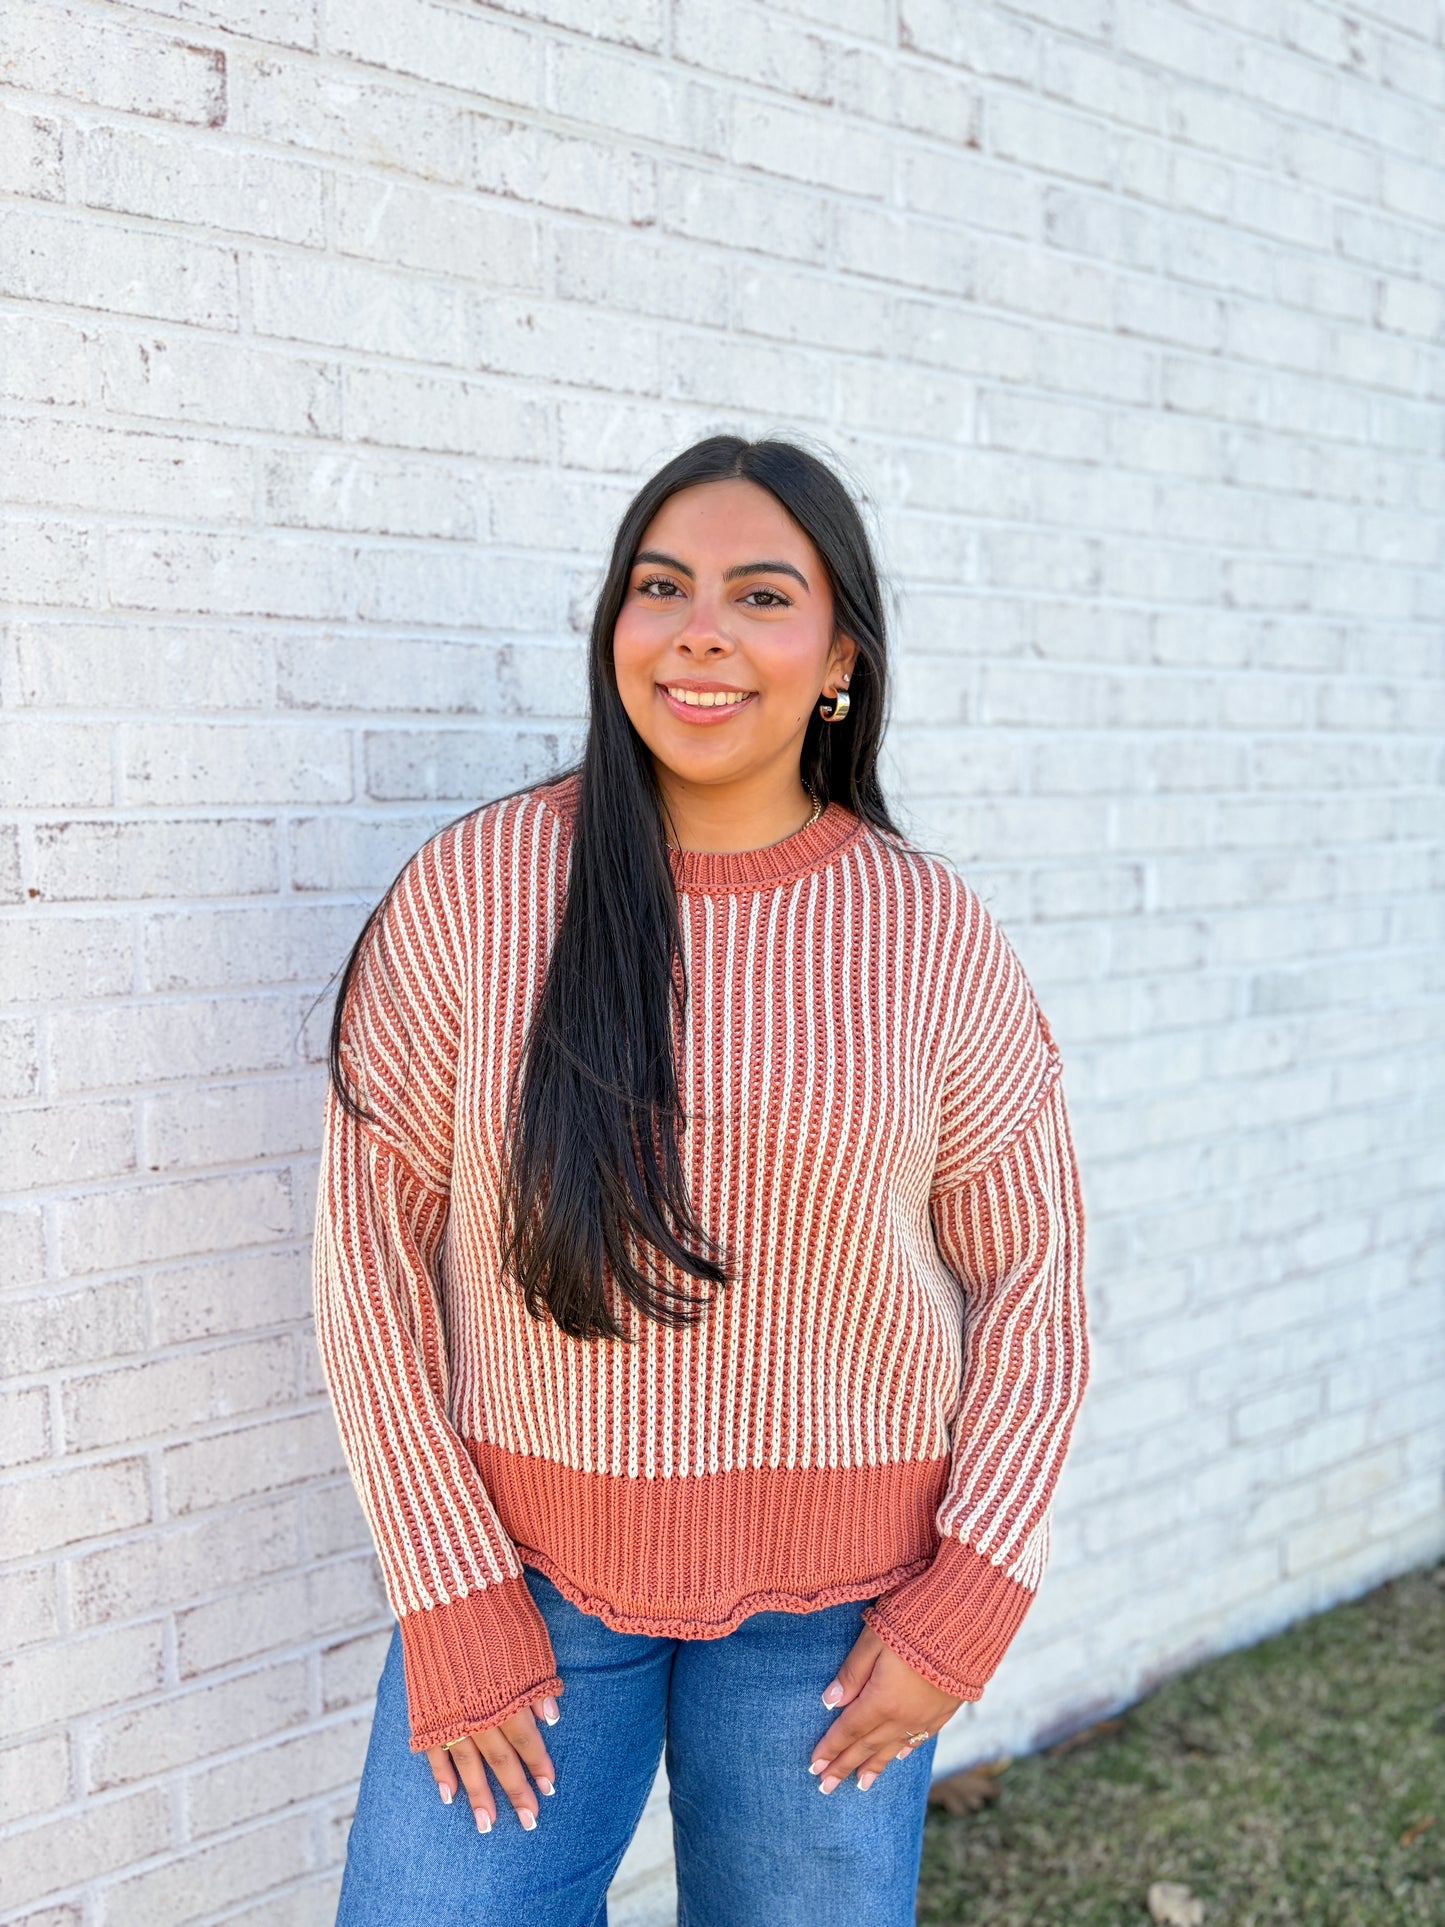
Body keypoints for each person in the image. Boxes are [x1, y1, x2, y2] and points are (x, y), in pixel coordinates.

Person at [314, 433, 1090, 1926]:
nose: (701, 630)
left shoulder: (929, 935)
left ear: (839, 658)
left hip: (843, 1617)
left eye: (760, 594)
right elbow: (366, 1266)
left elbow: (1033, 1282)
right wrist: (446, 1585)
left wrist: (972, 1590)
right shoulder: (476, 895)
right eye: (660, 585)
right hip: (519, 1584)